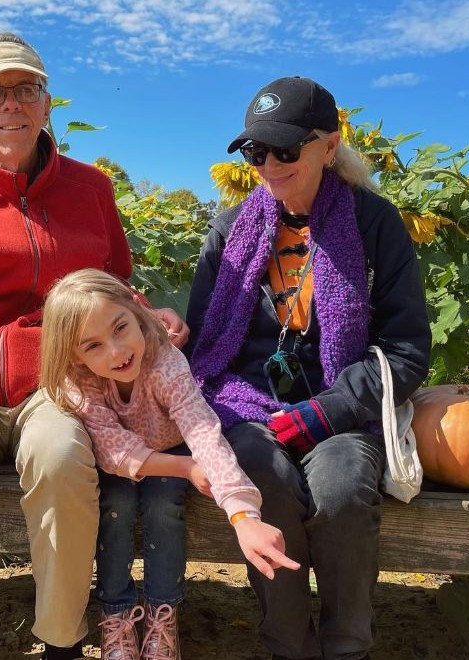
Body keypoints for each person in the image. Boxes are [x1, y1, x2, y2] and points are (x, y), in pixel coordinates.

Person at [0, 32, 188, 660]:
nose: (10, 104)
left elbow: (116, 289)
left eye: (25, 90)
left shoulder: (91, 191)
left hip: (62, 386)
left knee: (60, 457)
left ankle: (60, 639)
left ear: (48, 104)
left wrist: (145, 315)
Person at [185, 76, 431, 660]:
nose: (269, 164)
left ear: (329, 145)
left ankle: (347, 645)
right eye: (256, 152)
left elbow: (406, 350)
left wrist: (325, 413)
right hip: (245, 407)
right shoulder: (228, 230)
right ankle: (287, 646)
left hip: (344, 409)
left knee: (343, 489)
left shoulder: (375, 225)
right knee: (261, 477)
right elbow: (202, 347)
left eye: (286, 149)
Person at [40, 269, 300, 660]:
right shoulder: (80, 382)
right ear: (74, 356)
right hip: (132, 464)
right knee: (115, 507)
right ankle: (118, 614)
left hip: (175, 449)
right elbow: (112, 451)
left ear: (137, 310)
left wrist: (243, 515)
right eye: (92, 346)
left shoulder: (167, 363)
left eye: (121, 328)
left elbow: (202, 431)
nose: (117, 351)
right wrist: (186, 470)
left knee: (164, 506)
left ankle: (163, 614)